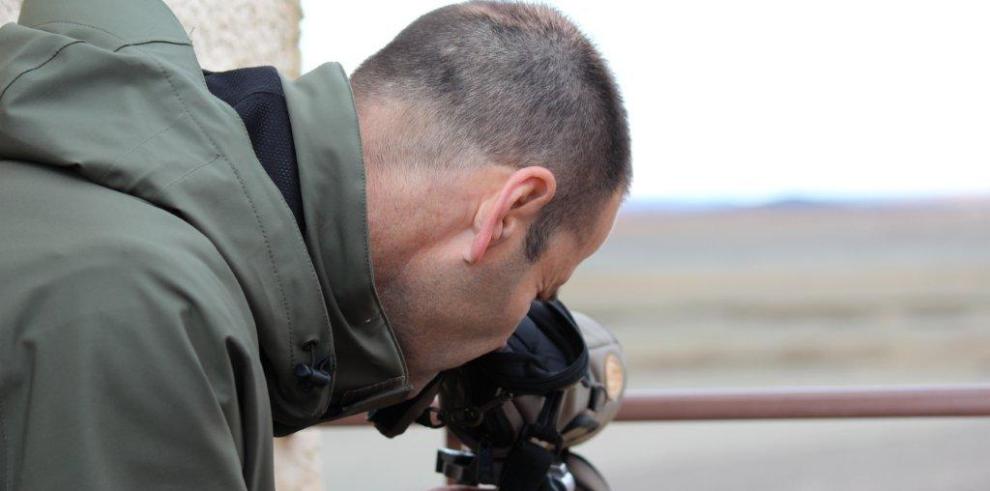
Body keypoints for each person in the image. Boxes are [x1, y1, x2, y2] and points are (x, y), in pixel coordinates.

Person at [0, 0, 630, 489]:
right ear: (504, 212)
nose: (518, 328)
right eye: (542, 285)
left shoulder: (144, 170)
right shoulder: (147, 314)